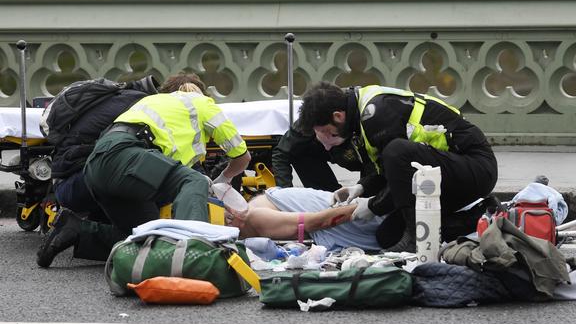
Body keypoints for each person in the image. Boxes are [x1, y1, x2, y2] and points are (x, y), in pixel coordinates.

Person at [37, 73, 251, 267]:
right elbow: (242, 157)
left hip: (96, 167)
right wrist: (222, 183)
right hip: (124, 155)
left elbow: (171, 179)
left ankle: (76, 230)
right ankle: (195, 255)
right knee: (195, 181)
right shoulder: (201, 102)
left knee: (150, 236)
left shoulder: (149, 101)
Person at [297, 82, 498, 252]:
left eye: (325, 131)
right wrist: (362, 187)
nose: (325, 141)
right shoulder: (356, 113)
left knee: (397, 150)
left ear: (338, 116)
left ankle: (416, 241)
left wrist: (374, 205)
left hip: (475, 167)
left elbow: (399, 163)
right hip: (440, 173)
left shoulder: (375, 112)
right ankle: (480, 216)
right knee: (387, 237)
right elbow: (389, 171)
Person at [51, 75, 159, 223]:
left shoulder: (124, 96)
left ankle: (82, 233)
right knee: (147, 221)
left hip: (68, 180)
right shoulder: (139, 108)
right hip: (77, 182)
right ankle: (77, 229)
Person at [227, 186, 384, 252]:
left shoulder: (254, 217)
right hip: (324, 207)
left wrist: (372, 205)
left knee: (374, 219)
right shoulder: (251, 211)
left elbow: (317, 222)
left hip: (335, 214)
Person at [271, 121, 374, 192]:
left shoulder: (363, 120)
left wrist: (364, 188)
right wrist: (286, 194)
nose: (327, 147)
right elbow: (281, 154)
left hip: (363, 150)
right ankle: (328, 196)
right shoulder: (307, 122)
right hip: (317, 154)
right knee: (297, 150)